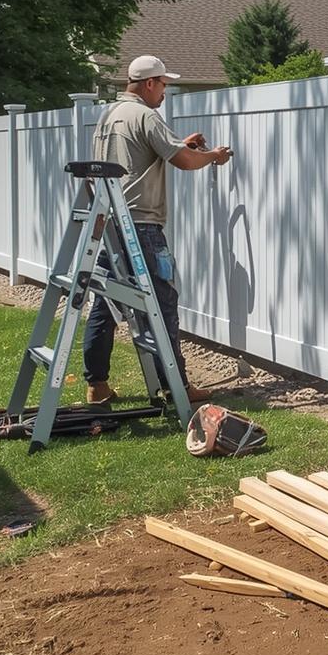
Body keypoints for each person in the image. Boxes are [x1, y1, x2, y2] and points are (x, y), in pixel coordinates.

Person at [81, 55, 232, 405]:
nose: (165, 91)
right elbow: (183, 162)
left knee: (105, 303)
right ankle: (176, 385)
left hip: (111, 224)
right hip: (142, 227)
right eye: (163, 84)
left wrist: (182, 144)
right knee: (163, 303)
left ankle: (97, 385)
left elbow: (146, 154)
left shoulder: (110, 115)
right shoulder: (146, 115)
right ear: (149, 83)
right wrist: (213, 156)